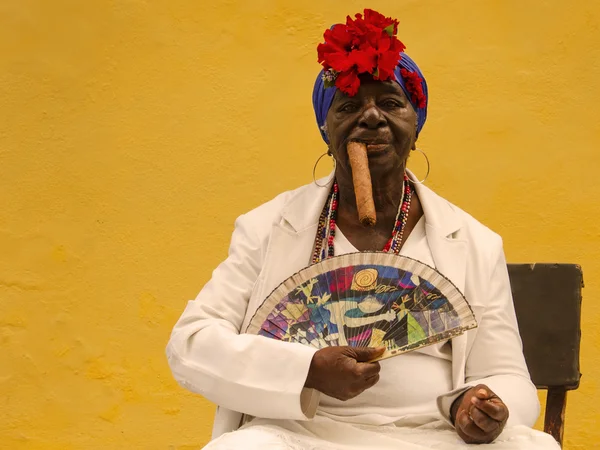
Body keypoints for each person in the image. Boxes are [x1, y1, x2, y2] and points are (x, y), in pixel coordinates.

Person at [166, 9, 560, 450]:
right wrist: (307, 369)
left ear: (415, 126)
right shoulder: (267, 228)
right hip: (300, 434)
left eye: (391, 103)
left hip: (434, 435)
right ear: (326, 128)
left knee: (534, 447)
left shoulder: (474, 242)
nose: (371, 117)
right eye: (349, 106)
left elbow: (508, 375)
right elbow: (191, 345)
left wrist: (477, 406)